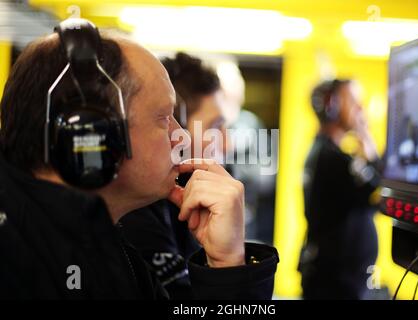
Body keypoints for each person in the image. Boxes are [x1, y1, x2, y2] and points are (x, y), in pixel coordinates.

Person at [0, 19, 278, 299]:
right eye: (163, 118)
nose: (180, 135)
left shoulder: (111, 249)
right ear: (92, 134)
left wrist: (226, 264)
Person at [119, 52, 231, 299]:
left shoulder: (177, 199)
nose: (227, 144)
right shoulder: (136, 209)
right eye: (214, 127)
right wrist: (230, 261)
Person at [298, 79, 380, 300]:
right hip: (336, 283)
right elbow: (376, 189)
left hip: (334, 278)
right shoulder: (332, 159)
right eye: (354, 102)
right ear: (331, 107)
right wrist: (367, 139)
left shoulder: (323, 152)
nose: (361, 109)